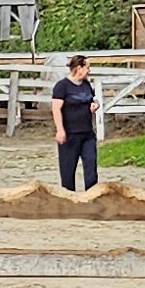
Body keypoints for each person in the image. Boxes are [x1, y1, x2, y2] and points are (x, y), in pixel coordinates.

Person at [51, 53, 101, 192]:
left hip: (87, 134)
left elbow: (93, 99)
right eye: (87, 67)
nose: (89, 70)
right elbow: (56, 109)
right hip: (70, 135)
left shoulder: (86, 85)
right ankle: (68, 200)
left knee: (91, 166)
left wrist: (95, 105)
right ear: (79, 68)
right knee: (68, 171)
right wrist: (60, 130)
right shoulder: (62, 86)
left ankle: (92, 197)